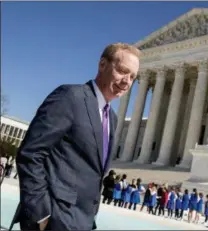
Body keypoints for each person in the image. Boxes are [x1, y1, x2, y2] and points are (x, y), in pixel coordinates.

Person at [11, 43, 140, 231]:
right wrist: (40, 215)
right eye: (122, 71)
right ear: (102, 65)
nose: (127, 81)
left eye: (133, 77)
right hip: (53, 219)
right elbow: (30, 154)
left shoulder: (111, 117)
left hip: (82, 221)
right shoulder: (70, 97)